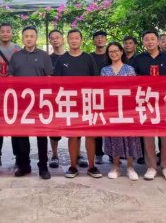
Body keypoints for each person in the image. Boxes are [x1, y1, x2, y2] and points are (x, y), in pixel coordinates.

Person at [53, 29, 101, 179]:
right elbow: (56, 83)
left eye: (76, 38)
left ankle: (92, 166)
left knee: (90, 135)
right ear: (67, 40)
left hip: (87, 102)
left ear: (81, 40)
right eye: (71, 38)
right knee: (73, 135)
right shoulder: (61, 60)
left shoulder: (88, 58)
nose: (74, 41)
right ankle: (73, 166)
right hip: (69, 103)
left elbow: (96, 80)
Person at [8, 26, 54, 180]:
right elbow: (10, 78)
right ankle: (24, 165)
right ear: (22, 38)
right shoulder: (16, 57)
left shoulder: (44, 56)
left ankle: (43, 166)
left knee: (41, 136)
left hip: (40, 102)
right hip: (21, 103)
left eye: (31, 36)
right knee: (22, 135)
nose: (29, 38)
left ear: (36, 38)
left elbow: (49, 78)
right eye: (26, 36)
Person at [132, 30, 166, 181]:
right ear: (143, 42)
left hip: (164, 102)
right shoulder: (138, 59)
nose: (150, 42)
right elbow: (133, 80)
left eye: (153, 39)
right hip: (146, 102)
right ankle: (151, 166)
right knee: (148, 136)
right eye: (146, 39)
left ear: (158, 41)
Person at [101, 42, 141, 181]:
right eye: (111, 52)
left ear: (121, 52)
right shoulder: (105, 70)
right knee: (115, 137)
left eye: (116, 51)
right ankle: (115, 167)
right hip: (112, 108)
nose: (114, 54)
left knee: (130, 137)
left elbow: (134, 88)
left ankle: (130, 167)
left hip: (128, 108)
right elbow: (103, 89)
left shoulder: (129, 69)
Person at [0, 23, 21, 169]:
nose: (5, 33)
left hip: (15, 93)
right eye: (2, 31)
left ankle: (18, 156)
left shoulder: (18, 49)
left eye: (8, 31)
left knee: (16, 125)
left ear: (12, 33)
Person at [90, 30, 109, 164]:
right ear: (93, 41)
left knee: (111, 125)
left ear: (106, 40)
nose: (100, 39)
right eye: (97, 38)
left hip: (110, 94)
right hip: (94, 95)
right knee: (97, 124)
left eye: (102, 37)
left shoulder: (111, 55)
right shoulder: (89, 57)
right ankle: (98, 153)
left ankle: (114, 154)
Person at [47, 29, 65, 168]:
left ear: (63, 39)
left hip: (71, 97)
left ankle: (77, 154)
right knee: (54, 128)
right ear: (50, 41)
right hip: (54, 98)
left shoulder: (72, 56)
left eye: (57, 37)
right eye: (52, 38)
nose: (55, 40)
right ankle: (54, 154)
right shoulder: (47, 58)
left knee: (75, 127)